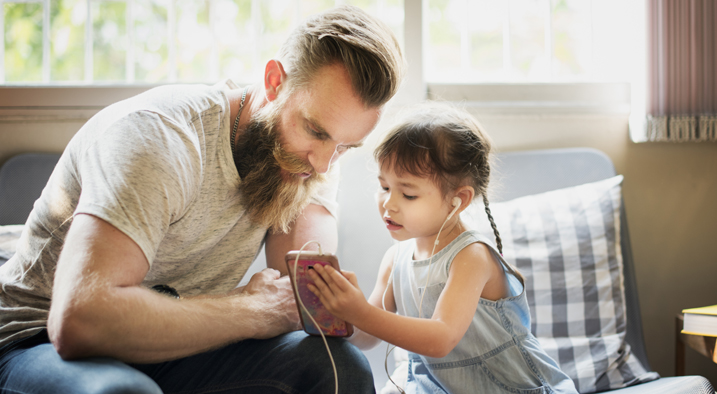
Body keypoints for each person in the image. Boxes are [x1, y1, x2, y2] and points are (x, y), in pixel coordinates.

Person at [0, 5, 404, 393]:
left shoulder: (312, 160)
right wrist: (253, 311)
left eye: (347, 147)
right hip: (35, 340)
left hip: (178, 344)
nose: (323, 164)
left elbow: (302, 295)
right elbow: (80, 322)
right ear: (274, 82)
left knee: (339, 369)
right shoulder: (160, 139)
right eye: (316, 131)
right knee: (123, 391)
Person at [307, 104, 579, 393]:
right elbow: (366, 336)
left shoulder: (471, 256)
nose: (389, 204)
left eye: (408, 194)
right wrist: (339, 314)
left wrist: (360, 311)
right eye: (384, 187)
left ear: (458, 200)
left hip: (507, 386)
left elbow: (441, 339)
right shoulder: (395, 259)